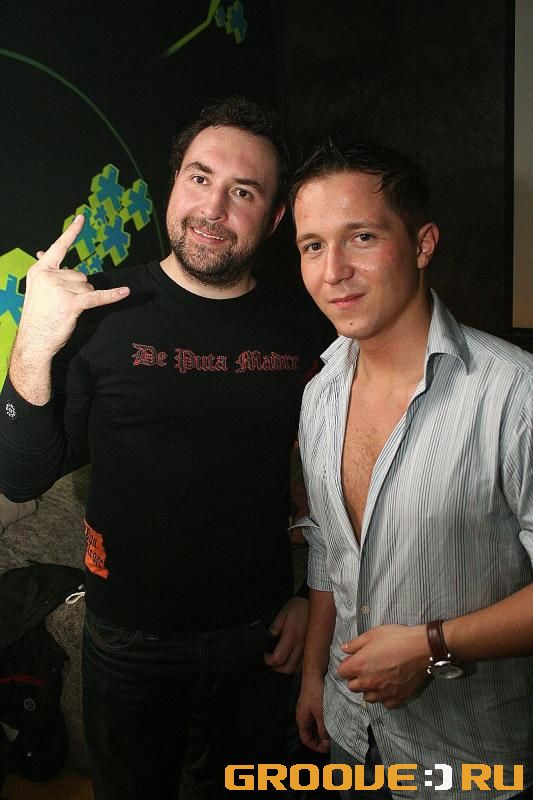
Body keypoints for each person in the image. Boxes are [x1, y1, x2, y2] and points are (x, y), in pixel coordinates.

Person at [0, 97, 333, 799]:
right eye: (200, 178)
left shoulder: (305, 324)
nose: (213, 207)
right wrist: (32, 343)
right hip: (129, 639)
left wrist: (311, 597)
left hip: (262, 633)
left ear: (275, 217)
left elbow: (335, 477)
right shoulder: (101, 310)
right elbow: (21, 474)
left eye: (244, 192)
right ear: (173, 183)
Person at [291, 141, 533, 800]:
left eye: (361, 237)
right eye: (312, 246)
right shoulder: (319, 393)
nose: (333, 271)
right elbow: (329, 550)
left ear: (422, 244)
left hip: (467, 760)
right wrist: (314, 676)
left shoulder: (514, 395)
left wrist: (432, 645)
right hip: (350, 733)